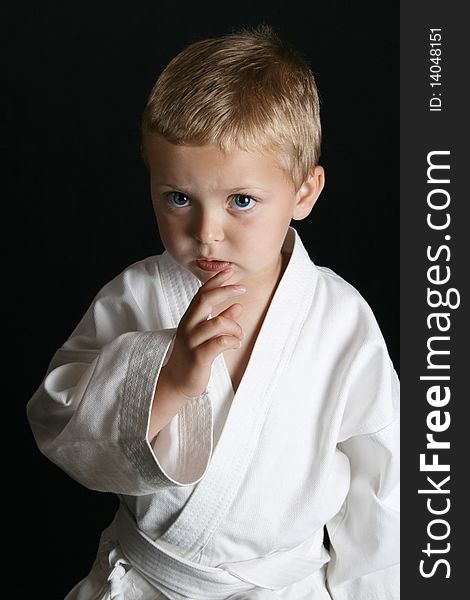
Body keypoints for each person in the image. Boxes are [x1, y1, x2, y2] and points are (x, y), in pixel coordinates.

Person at [27, 25, 399, 600]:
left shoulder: (341, 322)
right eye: (178, 197)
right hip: (151, 584)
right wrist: (168, 378)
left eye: (241, 202)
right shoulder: (138, 295)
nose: (206, 233)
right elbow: (57, 425)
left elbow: (384, 493)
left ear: (304, 193)